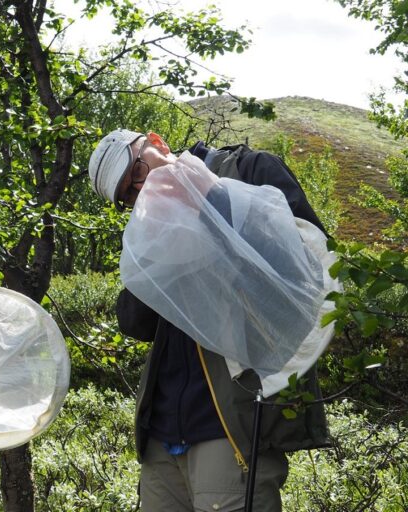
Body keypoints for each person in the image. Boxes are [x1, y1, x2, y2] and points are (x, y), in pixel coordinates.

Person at [88, 129, 330, 512]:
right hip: (161, 434)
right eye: (127, 195)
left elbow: (309, 271)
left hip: (229, 425)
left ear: (158, 142)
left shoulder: (249, 169)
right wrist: (154, 251)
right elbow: (135, 324)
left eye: (137, 169)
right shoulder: (151, 225)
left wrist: (210, 201)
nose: (141, 187)